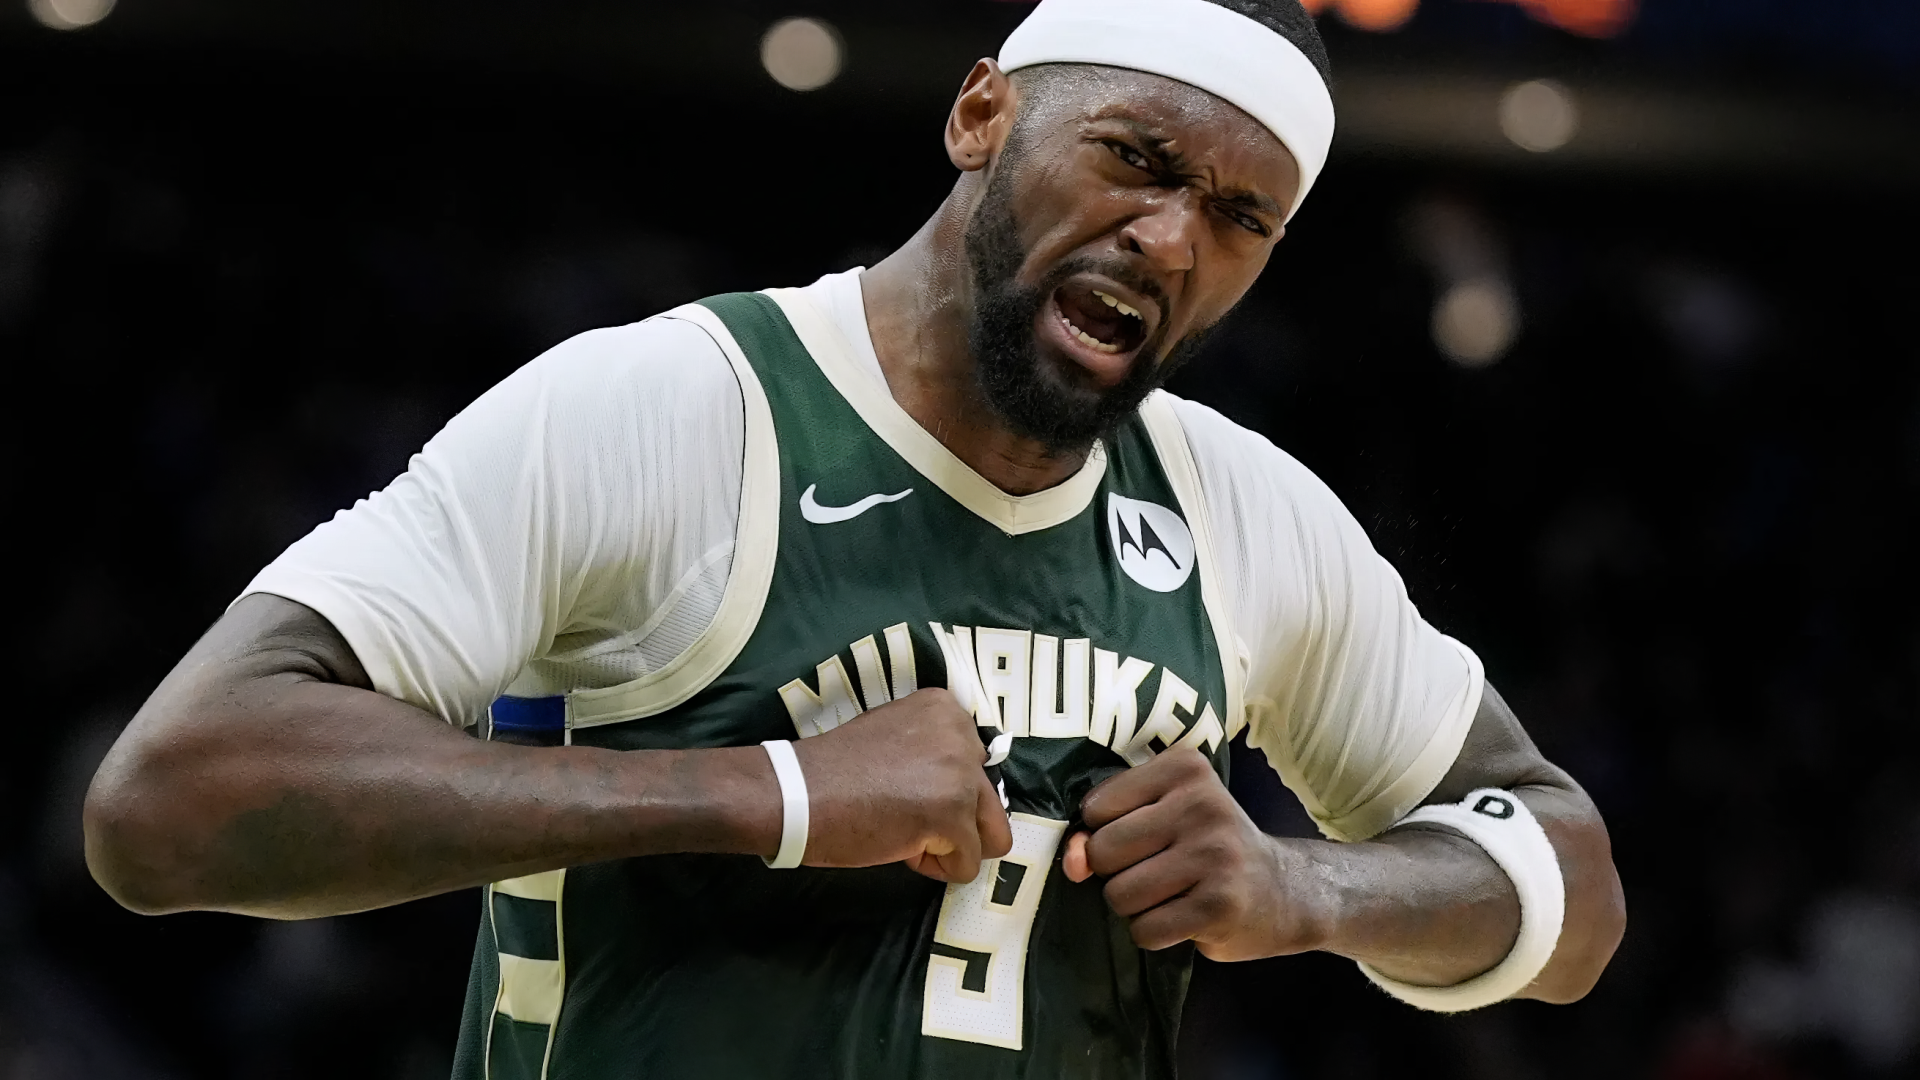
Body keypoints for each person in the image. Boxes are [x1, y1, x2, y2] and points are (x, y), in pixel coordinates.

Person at [83, 0, 1625, 1075]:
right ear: (982, 114)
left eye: (1240, 218)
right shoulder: (670, 407)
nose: (1171, 240)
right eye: (1140, 161)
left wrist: (1306, 895)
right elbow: (172, 799)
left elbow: (1568, 882)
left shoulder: (1251, 516)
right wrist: (771, 792)